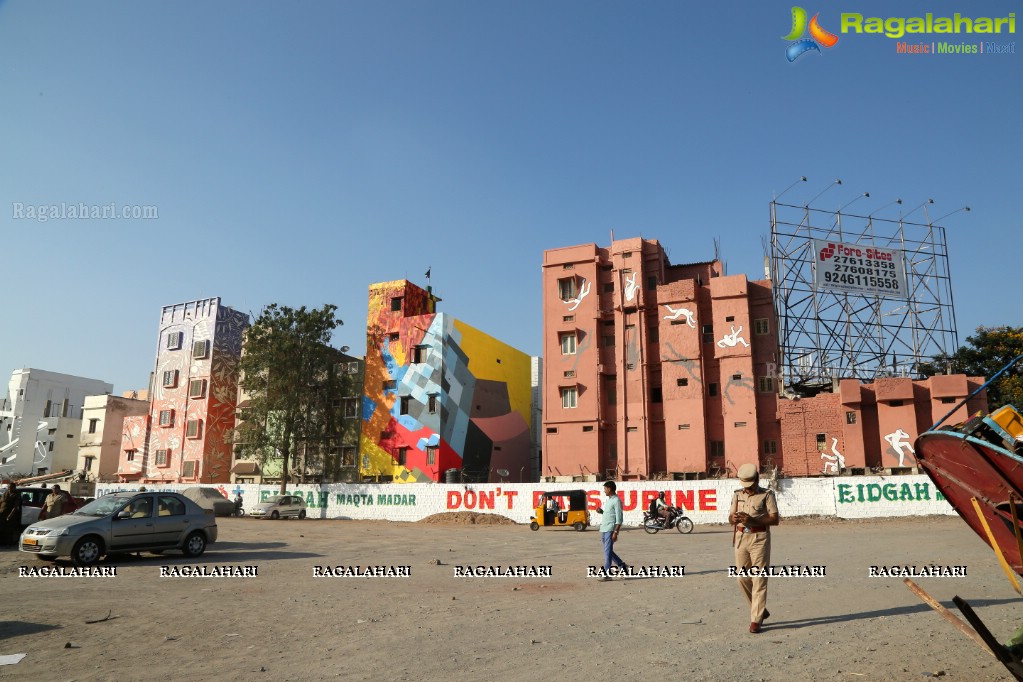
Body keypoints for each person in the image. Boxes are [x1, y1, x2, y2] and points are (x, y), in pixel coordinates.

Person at [728, 463, 780, 634]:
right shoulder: (737, 495)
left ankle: (756, 619)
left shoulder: (767, 495)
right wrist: (734, 518)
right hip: (741, 537)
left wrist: (753, 521)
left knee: (759, 578)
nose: (747, 490)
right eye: (745, 486)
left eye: (750, 486)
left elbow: (774, 519)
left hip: (759, 538)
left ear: (757, 479)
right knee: (741, 578)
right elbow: (730, 517)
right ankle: (759, 609)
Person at [595, 481, 628, 580]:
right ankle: (622, 565)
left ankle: (606, 573)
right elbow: (610, 514)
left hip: (610, 529)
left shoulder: (616, 501)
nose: (604, 490)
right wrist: (602, 512)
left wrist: (615, 532)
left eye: (605, 488)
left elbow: (619, 518)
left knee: (607, 551)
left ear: (610, 488)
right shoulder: (610, 500)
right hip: (604, 528)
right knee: (607, 550)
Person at [0, 481, 23, 547]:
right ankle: (2, 542)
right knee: (2, 528)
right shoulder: (5, 493)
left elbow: (15, 507)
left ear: (14, 488)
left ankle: (9, 543)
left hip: (10, 515)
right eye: (8, 487)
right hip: (2, 513)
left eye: (11, 487)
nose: (9, 489)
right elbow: (1, 502)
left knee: (9, 530)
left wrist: (10, 515)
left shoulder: (16, 495)